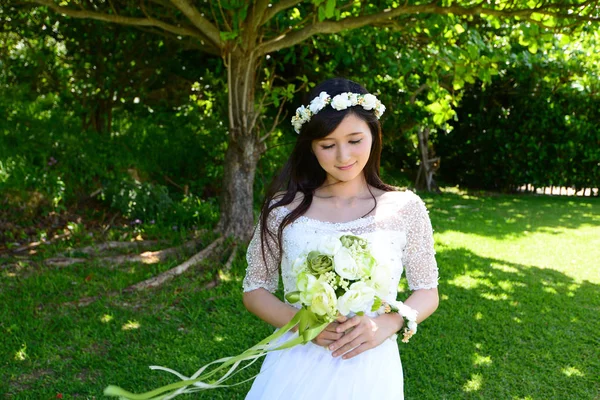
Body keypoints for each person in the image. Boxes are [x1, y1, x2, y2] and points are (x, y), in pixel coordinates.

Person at [242, 78, 439, 399]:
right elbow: (254, 290)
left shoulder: (406, 208)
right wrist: (304, 322)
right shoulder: (282, 209)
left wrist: (389, 323)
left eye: (354, 140)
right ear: (311, 147)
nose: (343, 155)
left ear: (374, 136)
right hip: (297, 359)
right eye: (328, 145)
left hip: (371, 364)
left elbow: (428, 291)